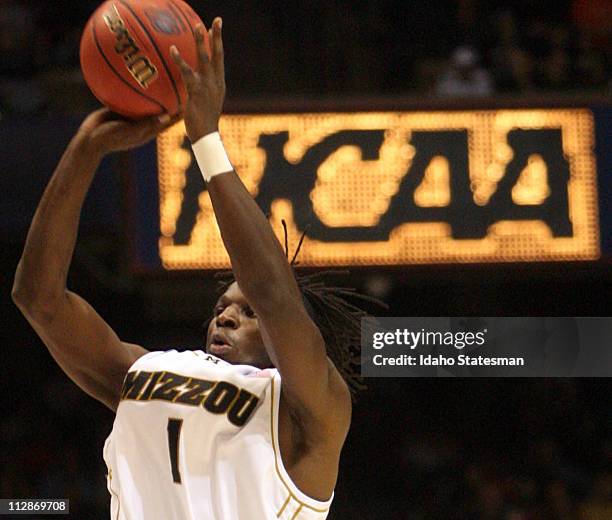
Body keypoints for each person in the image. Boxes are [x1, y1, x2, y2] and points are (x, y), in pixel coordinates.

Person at [12, 18, 377, 519]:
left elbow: (272, 291)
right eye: (222, 306)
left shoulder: (311, 409)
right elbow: (39, 299)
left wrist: (205, 138)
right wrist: (85, 149)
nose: (225, 316)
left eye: (245, 313)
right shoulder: (146, 370)